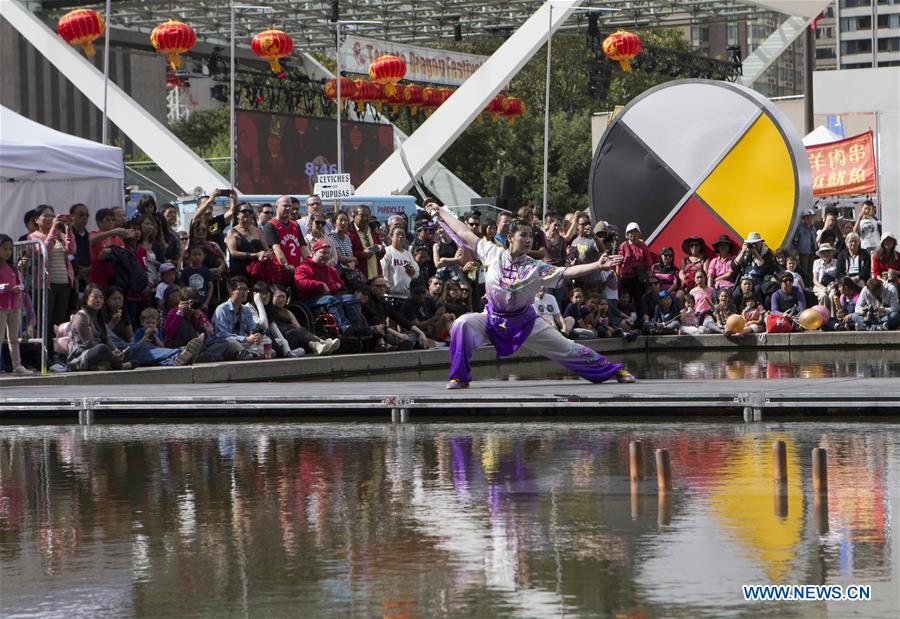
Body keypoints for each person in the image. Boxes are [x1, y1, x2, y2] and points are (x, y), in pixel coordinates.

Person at [426, 202, 634, 388]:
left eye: (530, 237)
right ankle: (459, 378)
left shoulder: (535, 267)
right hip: (492, 319)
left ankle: (613, 370)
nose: (527, 240)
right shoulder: (491, 252)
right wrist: (441, 211)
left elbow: (567, 271)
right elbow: (462, 231)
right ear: (509, 238)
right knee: (462, 323)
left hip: (525, 322)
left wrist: (597, 265)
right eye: (522, 236)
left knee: (567, 348)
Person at [294, 240, 364, 333]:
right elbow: (301, 283)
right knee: (331, 300)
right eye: (323, 252)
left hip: (329, 295)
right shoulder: (304, 267)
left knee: (350, 298)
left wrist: (330, 288)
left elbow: (340, 283)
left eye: (328, 253)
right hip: (310, 298)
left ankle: (358, 326)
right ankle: (344, 326)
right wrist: (321, 285)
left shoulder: (330, 269)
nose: (326, 256)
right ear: (313, 252)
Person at [28, 204, 76, 332]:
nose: (50, 219)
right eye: (46, 216)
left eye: (52, 216)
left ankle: (57, 349)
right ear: (36, 220)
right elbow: (43, 251)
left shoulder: (59, 235)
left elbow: (71, 250)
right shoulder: (34, 237)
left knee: (59, 323)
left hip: (64, 283)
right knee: (46, 321)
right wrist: (53, 229)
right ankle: (46, 351)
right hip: (46, 285)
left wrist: (69, 229)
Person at [67, 284, 133, 371]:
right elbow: (89, 344)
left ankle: (101, 365)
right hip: (82, 355)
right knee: (101, 349)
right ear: (86, 299)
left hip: (100, 352)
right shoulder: (81, 316)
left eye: (101, 297)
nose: (98, 300)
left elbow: (106, 338)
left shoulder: (99, 316)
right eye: (95, 297)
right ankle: (119, 366)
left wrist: (115, 350)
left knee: (127, 351)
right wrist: (111, 353)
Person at [265, 284, 340, 356]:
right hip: (281, 341)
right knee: (296, 332)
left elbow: (299, 328)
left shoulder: (287, 312)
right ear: (271, 297)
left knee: (300, 330)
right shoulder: (268, 312)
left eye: (283, 296)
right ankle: (320, 344)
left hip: (295, 337)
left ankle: (322, 344)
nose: (281, 299)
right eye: (278, 297)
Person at [363, 277, 433, 350]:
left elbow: (401, 319)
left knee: (414, 335)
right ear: (371, 286)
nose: (382, 288)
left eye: (384, 286)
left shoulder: (385, 303)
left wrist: (420, 332)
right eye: (378, 286)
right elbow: (377, 322)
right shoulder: (366, 302)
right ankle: (388, 345)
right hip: (372, 332)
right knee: (390, 336)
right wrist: (399, 334)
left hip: (386, 332)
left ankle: (394, 346)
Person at [212, 276, 270, 359]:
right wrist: (245, 339)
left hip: (242, 343)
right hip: (223, 345)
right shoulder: (221, 309)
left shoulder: (246, 310)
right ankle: (250, 354)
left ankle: (249, 354)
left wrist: (256, 336)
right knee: (231, 341)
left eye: (246, 289)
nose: (245, 292)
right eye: (241, 289)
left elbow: (252, 328)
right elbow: (222, 335)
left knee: (266, 341)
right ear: (232, 291)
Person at [0, 234, 32, 374]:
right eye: (4, 249)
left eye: (9, 249)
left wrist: (19, 288)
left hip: (14, 306)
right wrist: (3, 288)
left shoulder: (13, 267)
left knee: (14, 337)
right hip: (1, 307)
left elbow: (21, 284)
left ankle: (17, 365)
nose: (8, 252)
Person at [130, 307, 204, 366]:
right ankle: (182, 351)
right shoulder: (139, 332)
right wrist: (145, 336)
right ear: (142, 323)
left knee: (163, 360)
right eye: (148, 323)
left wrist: (155, 337)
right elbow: (136, 348)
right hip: (146, 355)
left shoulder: (157, 332)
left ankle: (181, 360)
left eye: (153, 323)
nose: (151, 325)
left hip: (158, 354)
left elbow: (162, 346)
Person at [264, 195, 310, 277]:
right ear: (276, 207)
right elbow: (276, 248)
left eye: (290, 206)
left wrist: (310, 263)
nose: (288, 208)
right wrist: (285, 264)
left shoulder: (295, 225)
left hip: (297, 270)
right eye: (285, 206)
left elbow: (303, 247)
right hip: (279, 271)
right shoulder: (270, 225)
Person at [226, 203, 270, 281]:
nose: (247, 213)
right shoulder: (232, 232)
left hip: (256, 272)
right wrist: (255, 255)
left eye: (250, 211)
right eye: (244, 211)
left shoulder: (257, 231)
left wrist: (266, 254)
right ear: (237, 215)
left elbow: (266, 249)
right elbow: (233, 253)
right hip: (239, 273)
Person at [732, 232, 778, 297]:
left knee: (757, 290)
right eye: (751, 243)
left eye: (755, 243)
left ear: (761, 243)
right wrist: (742, 252)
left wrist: (756, 254)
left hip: (759, 279)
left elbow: (765, 270)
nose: (753, 246)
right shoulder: (744, 251)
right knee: (736, 293)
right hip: (745, 278)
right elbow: (733, 267)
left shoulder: (767, 253)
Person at [617, 222, 652, 304]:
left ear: (639, 233)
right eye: (630, 232)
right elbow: (618, 263)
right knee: (625, 300)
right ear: (626, 234)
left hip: (639, 278)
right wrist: (617, 275)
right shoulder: (623, 246)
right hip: (625, 278)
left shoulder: (643, 246)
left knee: (639, 299)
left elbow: (648, 262)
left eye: (635, 231)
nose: (633, 234)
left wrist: (648, 275)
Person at [567, 214, 603, 292]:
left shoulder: (592, 239)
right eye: (582, 224)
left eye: (587, 224)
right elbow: (572, 260)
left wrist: (594, 236)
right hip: (580, 279)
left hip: (593, 280)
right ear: (577, 226)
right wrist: (572, 259)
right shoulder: (574, 241)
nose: (585, 226)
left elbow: (601, 249)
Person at [381, 227, 419, 301]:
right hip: (391, 296)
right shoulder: (387, 251)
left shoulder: (408, 254)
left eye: (403, 235)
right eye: (398, 234)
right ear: (391, 236)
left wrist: (413, 272)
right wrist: (386, 287)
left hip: (407, 296)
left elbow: (416, 271)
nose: (401, 236)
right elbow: (383, 271)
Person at [348, 205, 384, 281]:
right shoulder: (349, 233)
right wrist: (362, 253)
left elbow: (381, 252)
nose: (365, 218)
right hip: (360, 276)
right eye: (361, 215)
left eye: (367, 216)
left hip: (376, 274)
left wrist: (381, 249)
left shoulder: (373, 231)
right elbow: (348, 254)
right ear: (354, 216)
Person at [180, 245, 215, 315]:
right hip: (189, 304)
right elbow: (182, 288)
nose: (197, 257)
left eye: (199, 254)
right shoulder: (185, 271)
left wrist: (206, 302)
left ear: (204, 256)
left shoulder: (206, 271)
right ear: (189, 256)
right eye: (194, 255)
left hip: (203, 304)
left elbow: (210, 287)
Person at [792, 208, 818, 286]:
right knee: (804, 270)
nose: (810, 219)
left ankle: (811, 284)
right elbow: (795, 240)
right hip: (804, 252)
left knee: (811, 269)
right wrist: (798, 249)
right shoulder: (800, 228)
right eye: (807, 218)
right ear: (804, 218)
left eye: (811, 217)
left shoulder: (813, 227)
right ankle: (805, 285)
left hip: (813, 251)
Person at [812, 243, 838, 310]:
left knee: (832, 295)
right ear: (820, 254)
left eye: (827, 251)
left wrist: (834, 285)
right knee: (823, 295)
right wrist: (823, 288)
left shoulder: (836, 262)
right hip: (819, 285)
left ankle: (833, 317)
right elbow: (815, 279)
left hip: (832, 285)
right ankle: (823, 316)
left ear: (831, 253)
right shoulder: (816, 262)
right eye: (823, 252)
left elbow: (839, 277)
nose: (825, 254)